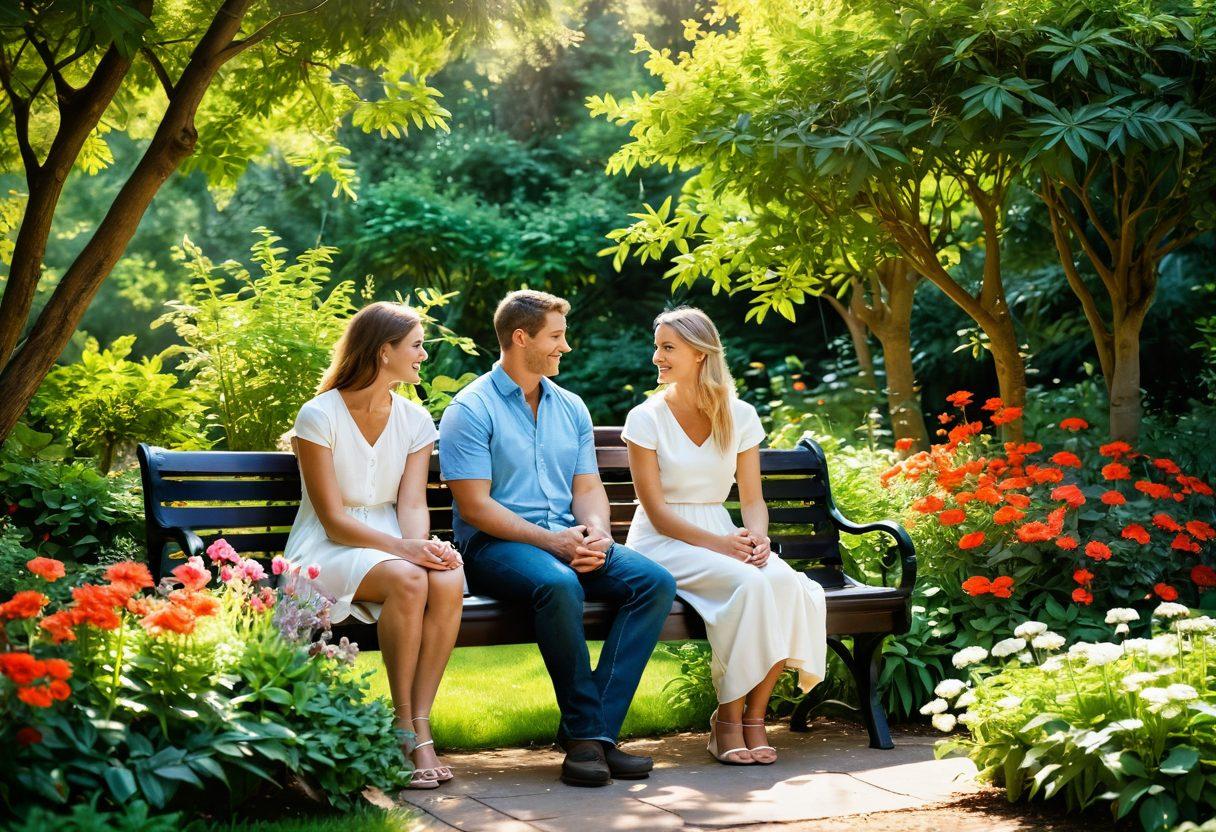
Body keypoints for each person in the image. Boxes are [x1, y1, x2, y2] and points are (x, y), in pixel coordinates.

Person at [438, 289, 677, 787]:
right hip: (494, 548)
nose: (565, 347)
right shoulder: (471, 408)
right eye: (556, 336)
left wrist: (596, 537)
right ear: (520, 338)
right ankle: (588, 735)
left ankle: (595, 738)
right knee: (559, 584)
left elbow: (587, 487)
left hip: (567, 542)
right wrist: (555, 545)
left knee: (652, 582)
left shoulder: (570, 406)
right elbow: (475, 507)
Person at [622, 307, 827, 766]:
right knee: (752, 584)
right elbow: (655, 511)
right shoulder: (645, 418)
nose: (656, 356)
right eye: (658, 346)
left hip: (721, 530)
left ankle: (755, 718)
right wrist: (724, 546)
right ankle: (727, 720)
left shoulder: (740, 414)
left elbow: (752, 499)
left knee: (788, 585)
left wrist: (756, 539)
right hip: (662, 539)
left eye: (667, 347)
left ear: (699, 353)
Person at [285, 301, 464, 790]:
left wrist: (423, 545)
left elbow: (411, 504)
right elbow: (334, 521)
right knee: (409, 577)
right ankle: (403, 726)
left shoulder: (415, 419)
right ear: (384, 351)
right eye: (417, 345)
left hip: (390, 544)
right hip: (324, 550)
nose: (424, 355)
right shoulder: (319, 415)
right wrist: (408, 554)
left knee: (449, 575)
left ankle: (418, 723)